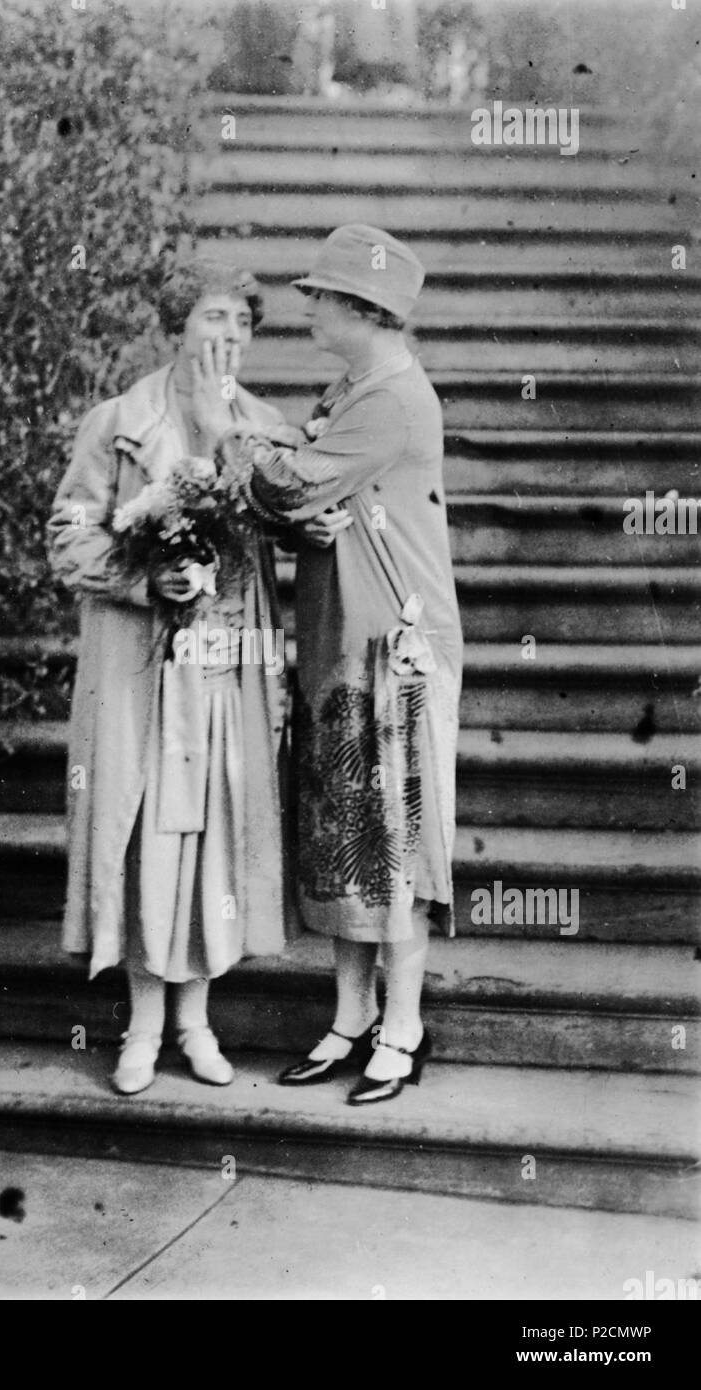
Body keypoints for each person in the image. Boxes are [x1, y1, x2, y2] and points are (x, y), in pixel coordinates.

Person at [199, 224, 463, 1104]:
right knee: (349, 842)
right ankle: (350, 1018)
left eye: (320, 297)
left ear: (361, 308)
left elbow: (292, 483)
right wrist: (296, 507)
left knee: (391, 844)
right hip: (341, 638)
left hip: (392, 648)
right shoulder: (356, 383)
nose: (306, 307)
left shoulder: (393, 397)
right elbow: (302, 500)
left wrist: (239, 445)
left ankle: (404, 1027)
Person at [47, 259, 291, 1097]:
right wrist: (145, 577)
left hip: (227, 665)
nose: (227, 337)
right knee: (145, 827)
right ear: (178, 325)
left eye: (242, 324)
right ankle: (143, 1028)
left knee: (213, 832)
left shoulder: (265, 426)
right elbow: (69, 535)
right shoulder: (118, 421)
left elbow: (296, 524)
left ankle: (197, 1022)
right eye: (213, 318)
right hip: (139, 665)